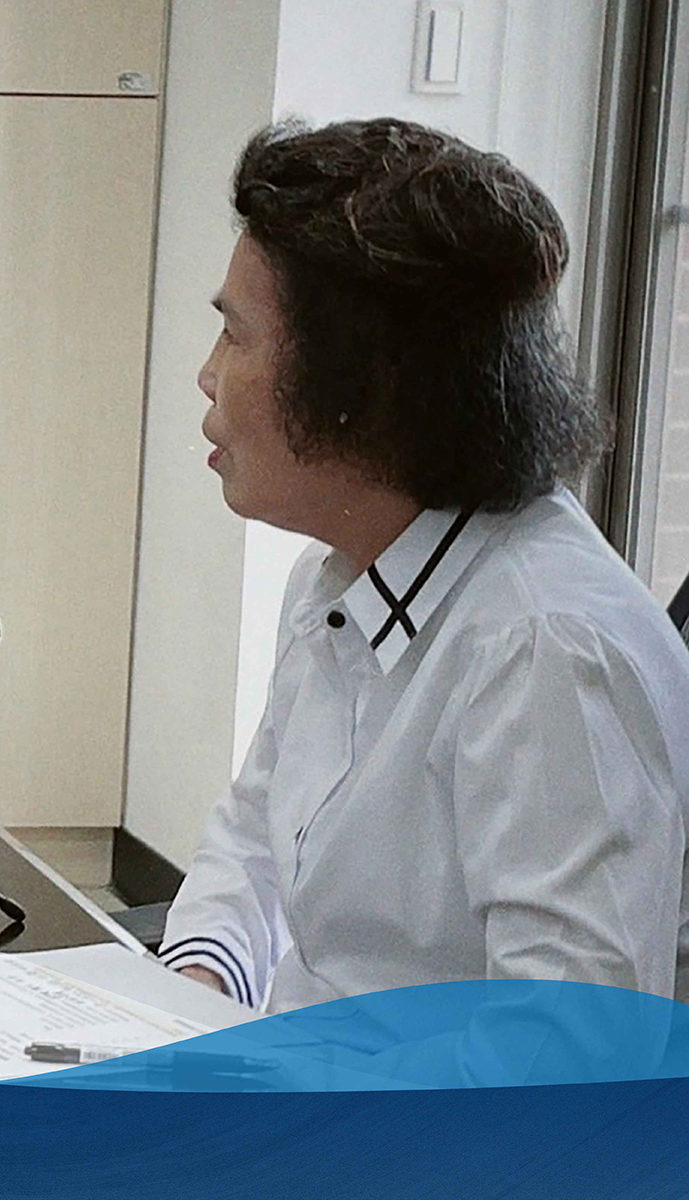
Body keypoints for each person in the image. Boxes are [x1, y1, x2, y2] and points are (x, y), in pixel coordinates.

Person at [161, 118, 689, 1012]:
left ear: (360, 385)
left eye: (237, 338)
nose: (208, 377)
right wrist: (195, 986)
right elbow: (256, 841)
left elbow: (569, 1056)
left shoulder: (547, 650)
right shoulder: (341, 575)